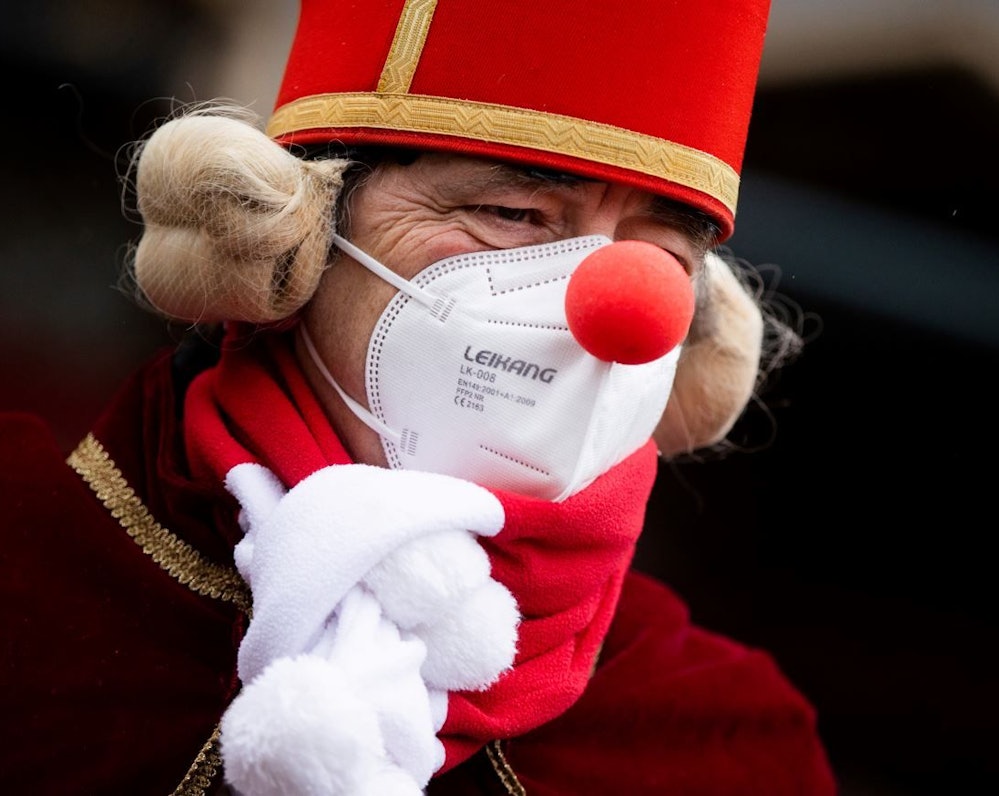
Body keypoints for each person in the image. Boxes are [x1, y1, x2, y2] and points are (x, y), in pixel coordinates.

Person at [1, 0, 836, 793]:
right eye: (513, 212)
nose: (602, 307)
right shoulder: (22, 563)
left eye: (660, 258)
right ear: (290, 233)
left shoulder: (726, 742)